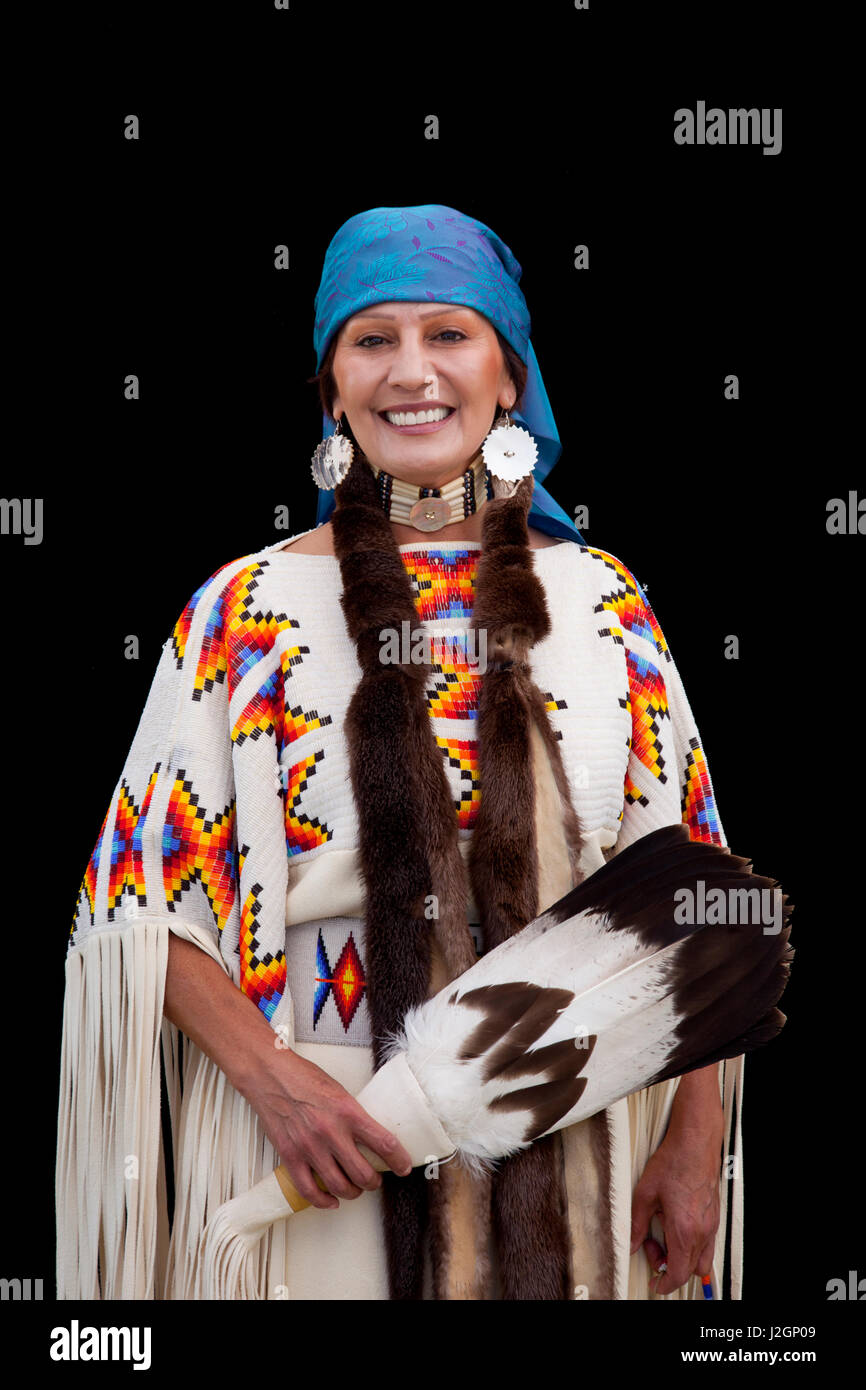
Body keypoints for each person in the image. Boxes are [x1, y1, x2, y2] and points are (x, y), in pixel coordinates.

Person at [56, 203, 744, 1300]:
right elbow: (137, 908)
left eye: (447, 334)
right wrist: (275, 1084)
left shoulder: (605, 604)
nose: (409, 371)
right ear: (332, 387)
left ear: (508, 376)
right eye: (371, 339)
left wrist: (692, 1140)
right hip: (327, 1134)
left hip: (573, 1114)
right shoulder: (246, 608)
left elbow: (698, 903)